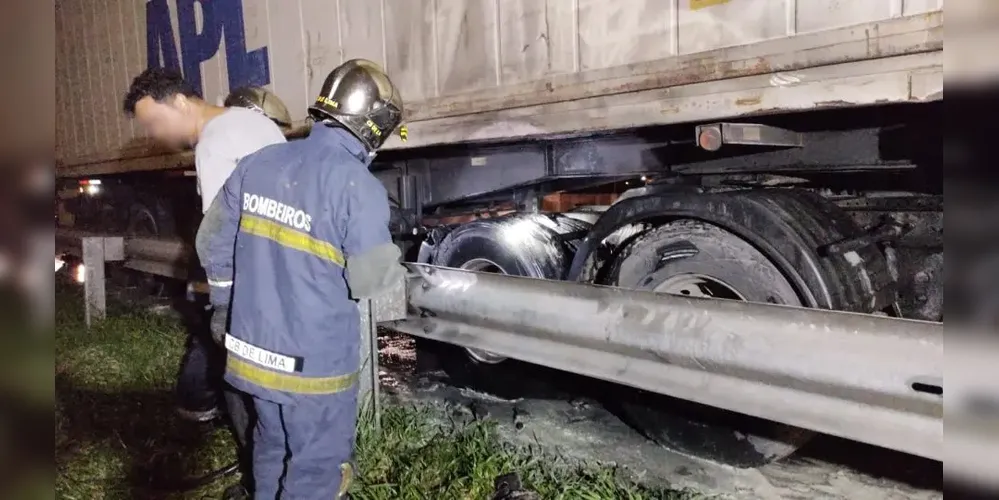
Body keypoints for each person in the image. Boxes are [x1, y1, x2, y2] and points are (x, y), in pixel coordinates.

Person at [203, 59, 407, 499]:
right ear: (375, 125)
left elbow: (211, 242)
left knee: (270, 445)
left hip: (251, 353)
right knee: (315, 471)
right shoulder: (358, 186)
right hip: (313, 370)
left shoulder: (258, 163)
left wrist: (223, 303)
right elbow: (372, 283)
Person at [122, 69, 288, 425]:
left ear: (180, 102)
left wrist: (218, 297)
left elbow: (219, 233)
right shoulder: (252, 121)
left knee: (215, 337)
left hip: (248, 272)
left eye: (153, 122)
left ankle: (203, 410)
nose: (153, 134)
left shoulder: (213, 143)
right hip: (283, 262)